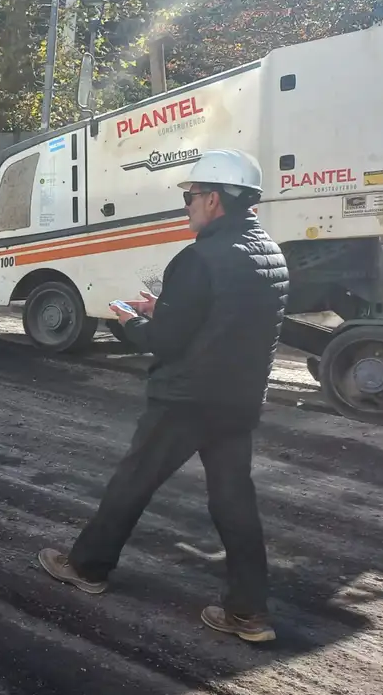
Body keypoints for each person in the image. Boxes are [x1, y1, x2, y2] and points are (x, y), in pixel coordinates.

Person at [38, 149, 288, 643]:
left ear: (214, 199)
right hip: (237, 401)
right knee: (234, 502)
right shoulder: (270, 253)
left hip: (186, 398)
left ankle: (87, 567)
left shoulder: (199, 257)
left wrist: (133, 320)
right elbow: (226, 319)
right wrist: (166, 307)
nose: (186, 205)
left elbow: (167, 340)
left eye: (191, 196)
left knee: (133, 481)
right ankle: (248, 611)